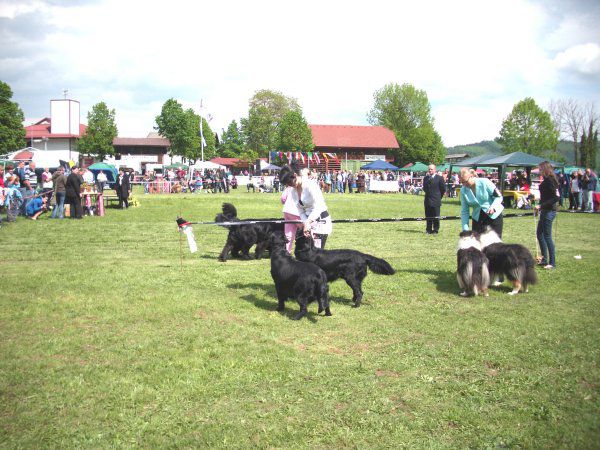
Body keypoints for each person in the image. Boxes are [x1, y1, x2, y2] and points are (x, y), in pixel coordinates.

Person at [279, 163, 332, 248]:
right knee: (308, 253)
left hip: (320, 223)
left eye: (289, 182)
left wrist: (308, 222)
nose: (290, 185)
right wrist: (305, 223)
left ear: (295, 175)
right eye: (287, 184)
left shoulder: (310, 185)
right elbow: (300, 210)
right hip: (309, 223)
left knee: (316, 254)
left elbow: (318, 206)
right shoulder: (293, 191)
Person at [459, 167, 504, 236]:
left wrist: (493, 207)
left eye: (465, 181)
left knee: (495, 245)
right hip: (478, 219)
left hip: (494, 216)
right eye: (462, 182)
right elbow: (465, 211)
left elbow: (498, 196)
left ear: (471, 176)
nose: (464, 185)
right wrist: (465, 230)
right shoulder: (463, 190)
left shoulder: (484, 182)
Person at [535, 161, 560, 269]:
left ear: (545, 169)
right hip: (545, 210)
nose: (539, 171)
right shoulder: (547, 180)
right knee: (539, 234)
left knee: (547, 236)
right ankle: (544, 259)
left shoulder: (550, 181)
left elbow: (556, 197)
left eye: (540, 169)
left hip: (549, 211)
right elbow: (546, 196)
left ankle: (552, 262)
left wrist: (541, 206)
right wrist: (540, 205)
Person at [423, 164, 446, 234]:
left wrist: (439, 197)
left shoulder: (440, 178)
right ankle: (428, 229)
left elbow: (443, 189)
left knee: (436, 216)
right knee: (428, 216)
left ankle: (436, 230)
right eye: (429, 169)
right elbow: (424, 188)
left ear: (435, 170)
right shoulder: (426, 178)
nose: (430, 170)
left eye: (431, 169)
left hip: (436, 200)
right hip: (427, 200)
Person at [281, 184, 303, 254]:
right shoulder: (301, 185)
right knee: (306, 230)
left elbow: (283, 199)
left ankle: (286, 252)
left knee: (288, 234)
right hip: (297, 211)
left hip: (287, 210)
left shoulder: (288, 187)